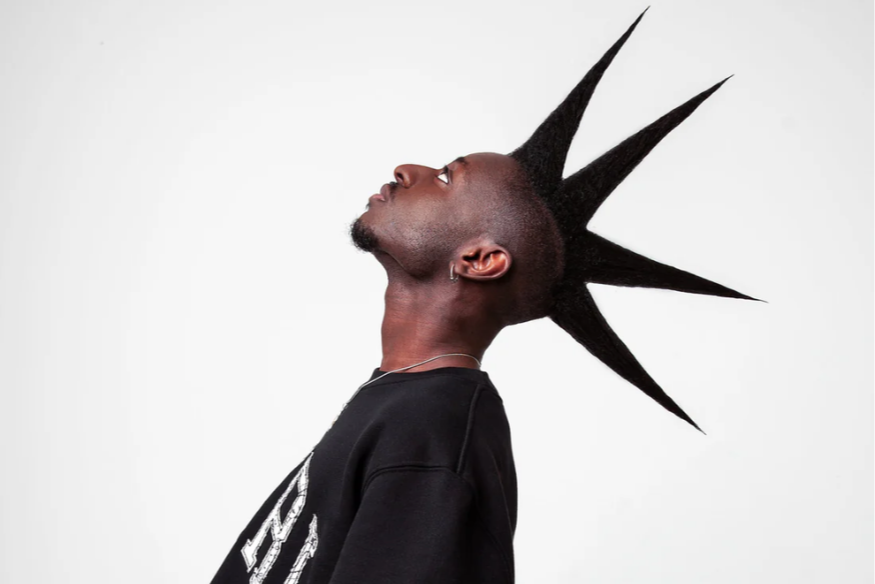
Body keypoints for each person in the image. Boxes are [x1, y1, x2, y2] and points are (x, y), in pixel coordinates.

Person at [209, 8, 761, 584]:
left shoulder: (434, 429)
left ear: (479, 259)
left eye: (448, 178)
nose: (407, 169)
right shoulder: (404, 402)